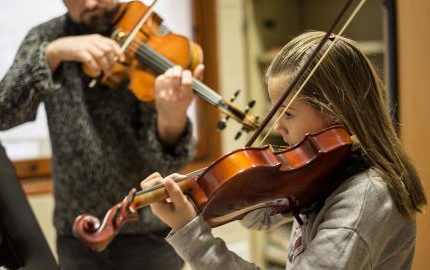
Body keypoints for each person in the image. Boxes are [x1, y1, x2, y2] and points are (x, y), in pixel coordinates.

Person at [141, 31, 427, 270]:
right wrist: (203, 193)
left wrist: (192, 234)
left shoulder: (364, 196)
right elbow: (264, 215)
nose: (278, 126)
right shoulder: (330, 168)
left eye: (288, 114)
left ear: (336, 110)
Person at [0, 0, 204, 269]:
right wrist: (52, 54)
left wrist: (172, 117)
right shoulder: (46, 37)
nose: (90, 3)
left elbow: (171, 164)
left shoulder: (146, 34)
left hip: (150, 234)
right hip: (77, 234)